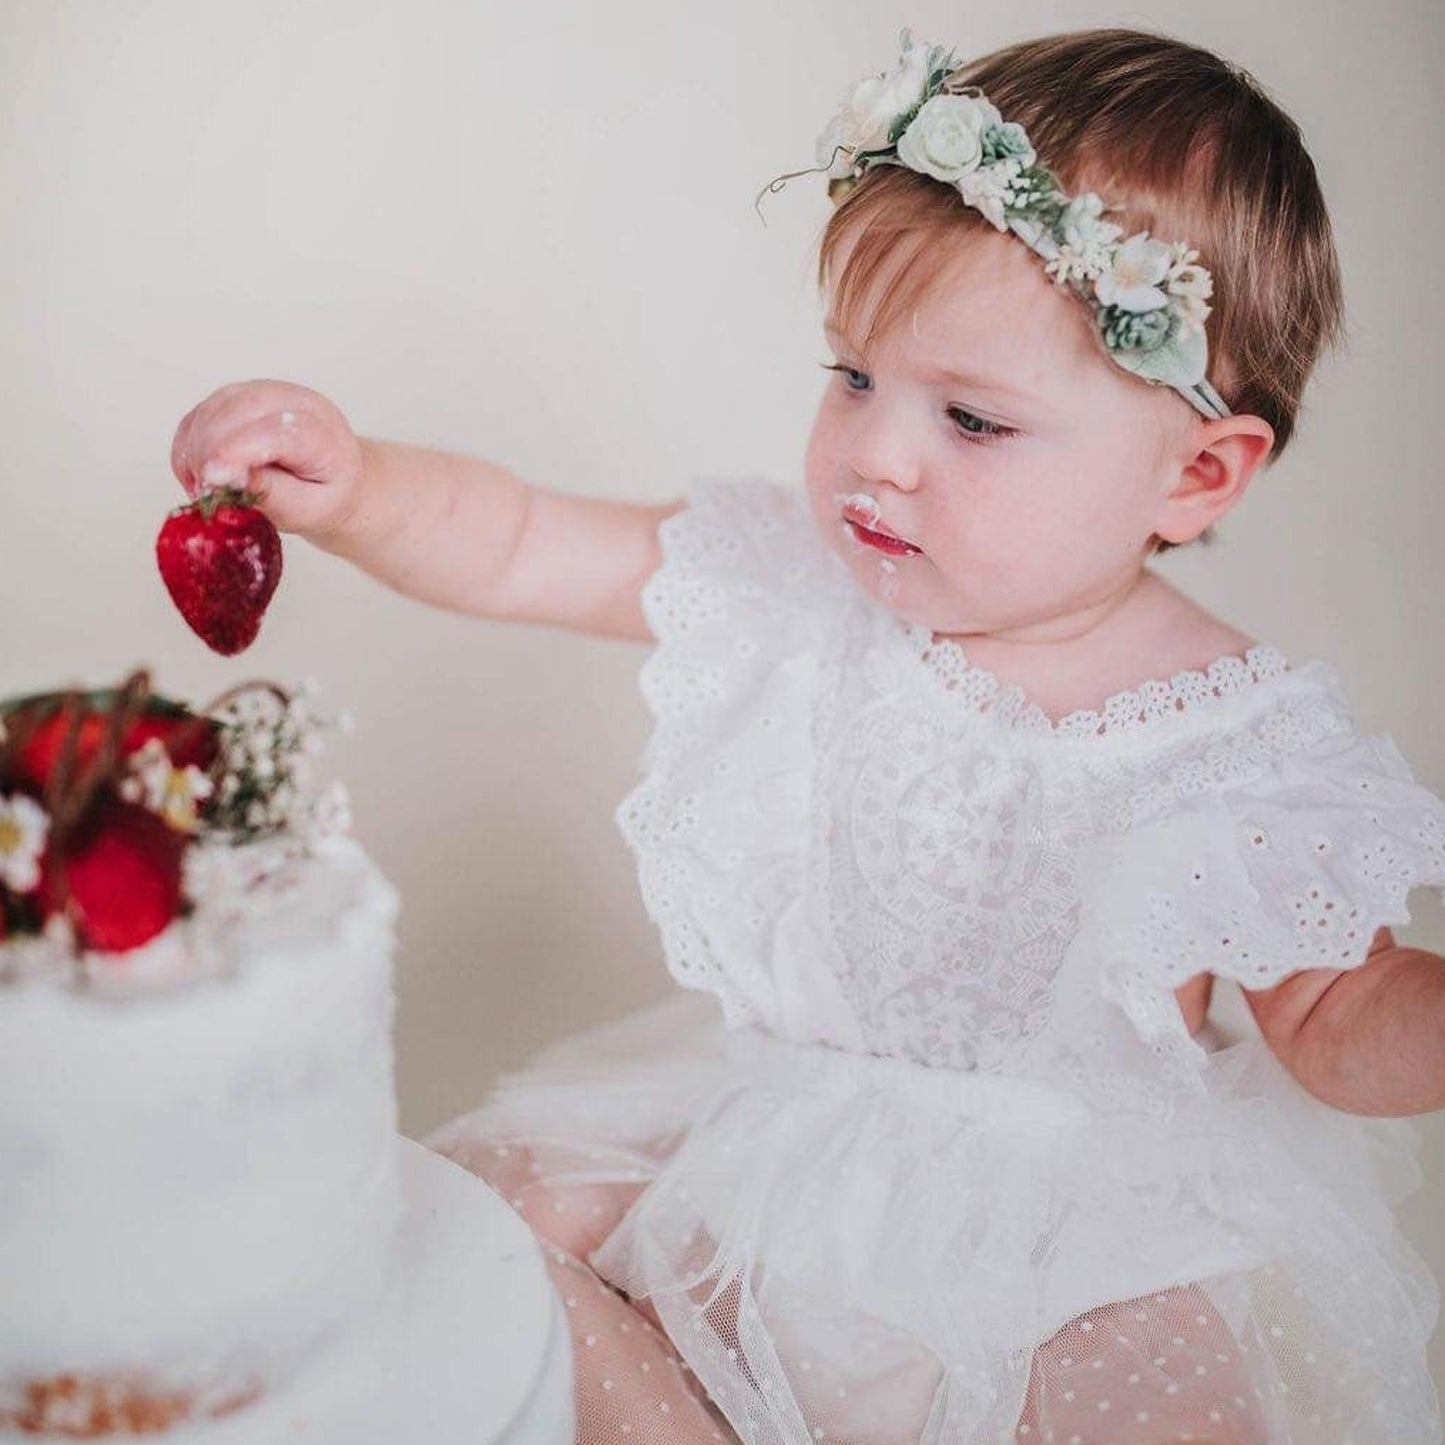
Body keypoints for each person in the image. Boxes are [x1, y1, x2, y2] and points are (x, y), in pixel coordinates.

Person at [170, 26, 1445, 1445]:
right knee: (465, 1239)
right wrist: (354, 487)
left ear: (1196, 473)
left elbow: (1337, 1012)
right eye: (851, 377)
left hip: (1075, 1240)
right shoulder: (791, 580)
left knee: (1156, 1410)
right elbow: (525, 540)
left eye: (969, 417)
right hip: (760, 1137)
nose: (875, 452)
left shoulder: (1225, 735)